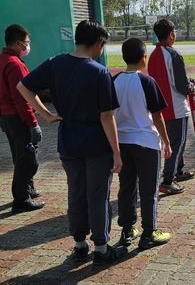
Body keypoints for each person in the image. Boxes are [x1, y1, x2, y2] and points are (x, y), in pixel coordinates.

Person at [17, 20, 126, 266]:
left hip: (69, 142)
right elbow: (107, 117)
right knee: (98, 196)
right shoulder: (99, 72)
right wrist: (117, 153)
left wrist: (46, 115)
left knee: (76, 194)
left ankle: (79, 244)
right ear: (98, 43)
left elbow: (23, 87)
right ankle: (101, 247)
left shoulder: (55, 64)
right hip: (96, 146)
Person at [113, 38, 173, 249]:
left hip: (122, 143)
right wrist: (166, 141)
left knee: (126, 187)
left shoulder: (115, 80)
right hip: (146, 143)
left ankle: (127, 230)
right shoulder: (147, 82)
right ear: (143, 58)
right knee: (149, 190)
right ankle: (149, 233)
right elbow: (157, 117)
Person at [0, 24, 46, 213]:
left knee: (19, 155)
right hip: (17, 118)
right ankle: (21, 200)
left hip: (7, 117)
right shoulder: (15, 65)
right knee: (28, 160)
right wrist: (33, 123)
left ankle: (27, 189)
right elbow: (22, 98)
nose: (28, 47)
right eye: (27, 43)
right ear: (19, 43)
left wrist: (0, 115)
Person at [148, 18, 195, 195]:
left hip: (160, 108)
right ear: (171, 34)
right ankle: (168, 180)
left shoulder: (154, 55)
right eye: (175, 32)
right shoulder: (174, 55)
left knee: (175, 142)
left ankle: (178, 172)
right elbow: (182, 86)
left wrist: (190, 81)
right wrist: (193, 86)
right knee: (176, 144)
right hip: (176, 108)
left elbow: (170, 79)